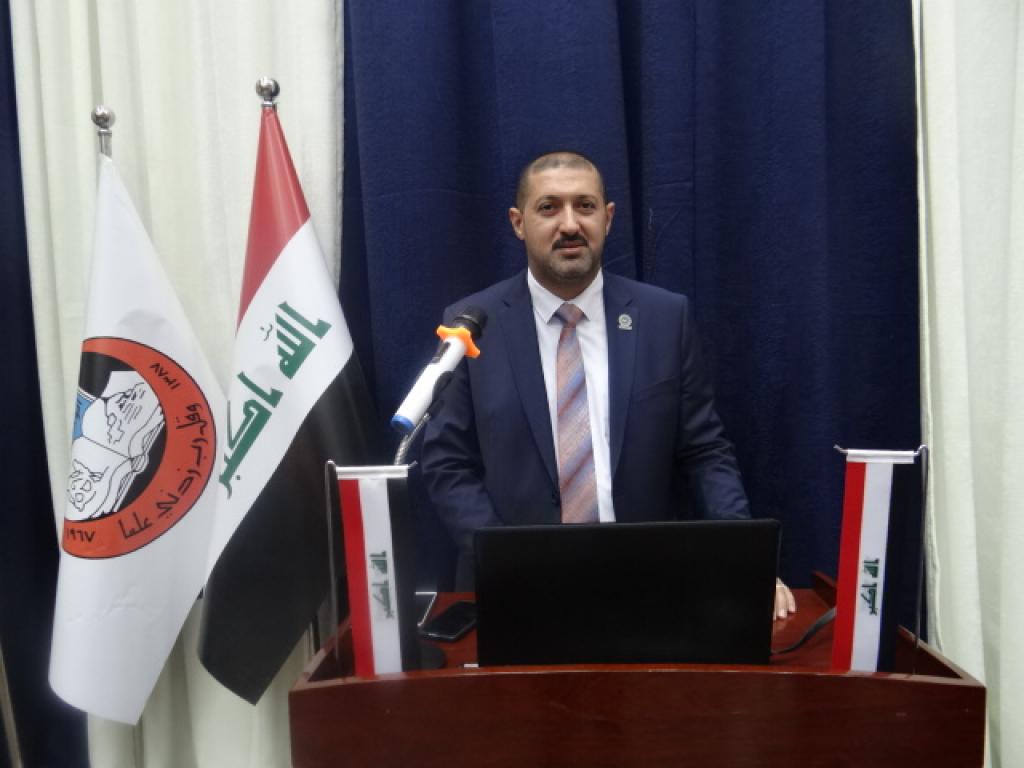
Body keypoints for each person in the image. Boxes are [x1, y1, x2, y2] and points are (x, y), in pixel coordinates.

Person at [420, 150, 796, 618]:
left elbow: (705, 452)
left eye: (585, 206)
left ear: (609, 217)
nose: (570, 224)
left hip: (646, 590)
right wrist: (505, 560)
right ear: (518, 223)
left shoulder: (664, 318)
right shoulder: (472, 325)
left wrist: (744, 560)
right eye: (548, 208)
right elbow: (447, 463)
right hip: (514, 592)